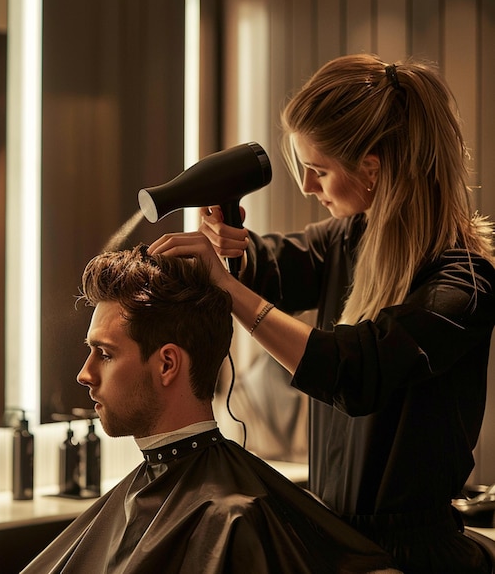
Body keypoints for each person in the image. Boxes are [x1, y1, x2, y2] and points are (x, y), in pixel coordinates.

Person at [148, 53, 495, 574]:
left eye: (319, 171)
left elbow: (356, 372)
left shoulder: (463, 284)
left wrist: (227, 287)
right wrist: (230, 249)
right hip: (338, 544)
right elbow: (276, 265)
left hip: (415, 560)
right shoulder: (349, 238)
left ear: (372, 169)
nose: (308, 188)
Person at [22, 245, 399, 574]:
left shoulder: (234, 518)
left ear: (167, 364)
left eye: (104, 353)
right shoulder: (199, 501)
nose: (84, 374)